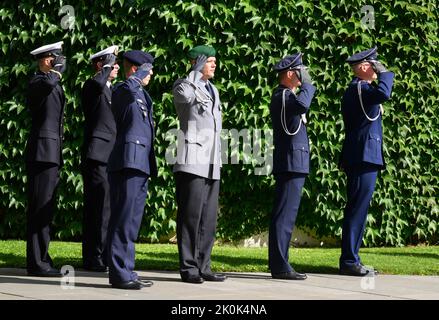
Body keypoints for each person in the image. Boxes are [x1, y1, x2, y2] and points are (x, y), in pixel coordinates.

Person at [172, 45, 226, 284]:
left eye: (214, 61)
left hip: (212, 162)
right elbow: (184, 99)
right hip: (192, 161)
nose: (214, 65)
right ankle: (188, 267)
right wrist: (194, 72)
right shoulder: (184, 84)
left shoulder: (213, 89)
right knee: (190, 217)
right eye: (209, 61)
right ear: (197, 61)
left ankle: (204, 265)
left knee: (208, 219)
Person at [339, 46, 394, 276]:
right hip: (362, 156)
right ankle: (350, 261)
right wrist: (385, 73)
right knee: (356, 209)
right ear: (362, 67)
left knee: (359, 209)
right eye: (373, 64)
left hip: (364, 155)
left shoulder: (361, 89)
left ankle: (353, 259)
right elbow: (384, 93)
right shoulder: (359, 88)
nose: (375, 67)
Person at [106, 50, 157, 290]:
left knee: (132, 221)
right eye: (148, 69)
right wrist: (137, 77)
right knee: (123, 218)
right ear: (136, 69)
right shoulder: (123, 90)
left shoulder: (143, 95)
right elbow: (125, 91)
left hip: (140, 163)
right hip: (127, 161)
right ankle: (118, 272)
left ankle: (127, 268)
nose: (152, 74)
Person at [268, 53, 316, 280]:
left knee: (287, 215)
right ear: (289, 73)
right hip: (290, 162)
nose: (302, 76)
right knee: (284, 216)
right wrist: (308, 84)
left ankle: (281, 263)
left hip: (294, 162)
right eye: (299, 72)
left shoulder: (287, 95)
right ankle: (280, 265)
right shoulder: (283, 96)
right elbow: (303, 104)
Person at [25, 41, 66, 277]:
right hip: (42, 153)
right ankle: (37, 263)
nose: (56, 63)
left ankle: (42, 258)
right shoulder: (37, 81)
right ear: (43, 60)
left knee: (45, 209)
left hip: (50, 153)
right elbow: (50, 82)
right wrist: (57, 70)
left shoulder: (49, 82)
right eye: (53, 59)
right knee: (39, 208)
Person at [80, 45, 119, 272]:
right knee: (97, 208)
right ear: (99, 65)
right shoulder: (92, 85)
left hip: (109, 156)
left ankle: (102, 254)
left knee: (106, 208)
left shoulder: (110, 89)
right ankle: (94, 257)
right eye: (110, 63)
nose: (115, 67)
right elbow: (96, 83)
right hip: (97, 155)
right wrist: (106, 64)